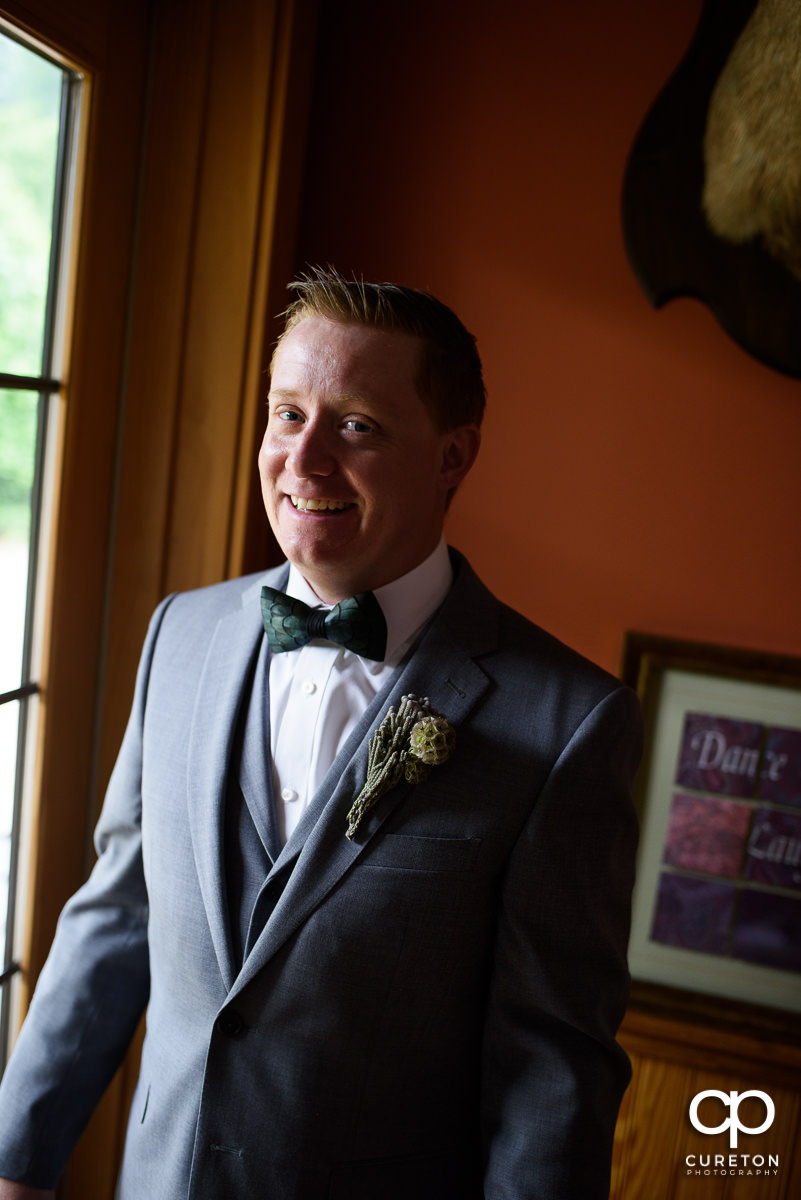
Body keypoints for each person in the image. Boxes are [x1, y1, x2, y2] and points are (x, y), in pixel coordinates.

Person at [0, 268, 642, 1199]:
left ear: (453, 456)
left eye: (356, 426)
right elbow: (115, 916)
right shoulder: (178, 635)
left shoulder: (567, 725)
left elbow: (550, 1069)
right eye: (286, 414)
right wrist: (17, 1158)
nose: (302, 462)